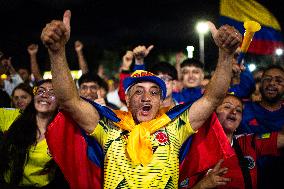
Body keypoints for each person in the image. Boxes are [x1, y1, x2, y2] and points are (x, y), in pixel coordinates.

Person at [40, 10, 241, 188]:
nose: (147, 97)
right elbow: (69, 101)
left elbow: (212, 98)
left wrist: (225, 55)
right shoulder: (108, 126)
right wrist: (57, 52)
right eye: (138, 92)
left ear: (161, 100)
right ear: (126, 98)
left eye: (154, 92)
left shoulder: (175, 126)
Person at [180, 94, 284, 189]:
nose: (233, 112)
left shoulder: (248, 142)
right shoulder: (194, 146)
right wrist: (203, 185)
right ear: (213, 113)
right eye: (227, 107)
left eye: (238, 110)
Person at [0, 79, 68, 188]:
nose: (44, 95)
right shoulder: (14, 117)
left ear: (60, 102)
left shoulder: (64, 132)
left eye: (52, 93)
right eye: (40, 91)